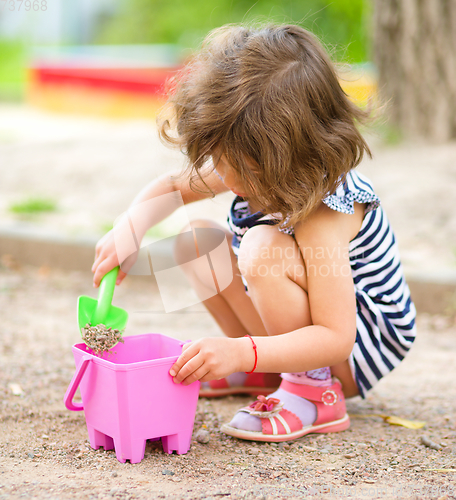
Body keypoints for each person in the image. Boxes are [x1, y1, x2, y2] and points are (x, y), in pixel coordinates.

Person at [92, 24, 417, 443]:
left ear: (289, 156)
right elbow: (173, 187)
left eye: (238, 167)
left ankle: (313, 391)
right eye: (219, 159)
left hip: (355, 346)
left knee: (262, 250)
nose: (223, 176)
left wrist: (239, 351)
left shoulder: (325, 211)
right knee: (197, 242)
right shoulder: (255, 159)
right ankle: (267, 370)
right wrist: (130, 226)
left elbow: (337, 337)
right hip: (315, 330)